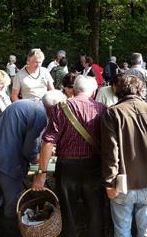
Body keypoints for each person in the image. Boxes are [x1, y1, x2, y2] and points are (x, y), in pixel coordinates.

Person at [32, 75, 105, 237]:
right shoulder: (101, 108)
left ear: (73, 90)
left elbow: (48, 141)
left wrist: (42, 174)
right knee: (95, 210)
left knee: (68, 211)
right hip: (93, 166)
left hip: (67, 167)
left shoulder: (61, 107)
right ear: (93, 93)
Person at [101, 74, 147, 236]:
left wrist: (109, 183)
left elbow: (110, 152)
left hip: (122, 182)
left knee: (122, 230)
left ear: (118, 91)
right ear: (142, 91)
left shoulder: (112, 113)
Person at [0, 99, 48, 236]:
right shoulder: (41, 115)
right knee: (12, 200)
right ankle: (11, 233)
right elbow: (29, 150)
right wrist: (37, 157)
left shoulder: (27, 103)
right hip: (7, 159)